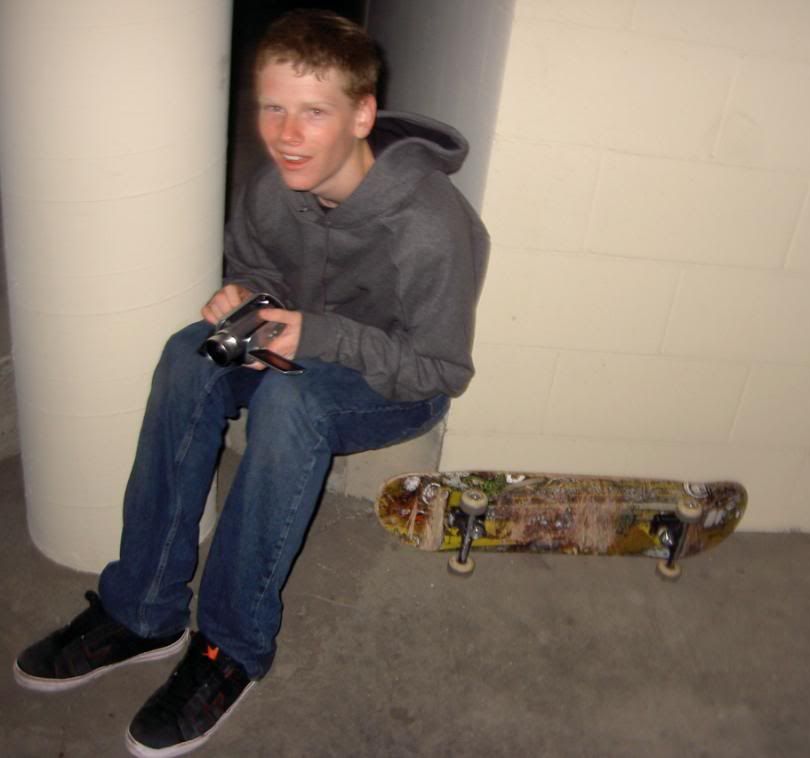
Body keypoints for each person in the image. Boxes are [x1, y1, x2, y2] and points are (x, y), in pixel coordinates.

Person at [12, 9, 488, 757]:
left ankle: (229, 647)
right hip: (300, 341)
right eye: (271, 108)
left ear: (362, 115)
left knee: (293, 401)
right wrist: (246, 298)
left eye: (313, 112)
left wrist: (319, 335)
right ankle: (142, 608)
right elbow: (259, 265)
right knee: (187, 356)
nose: (286, 135)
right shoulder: (274, 186)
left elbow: (440, 370)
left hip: (394, 379)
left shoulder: (428, 224)